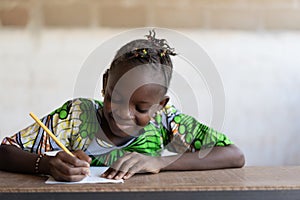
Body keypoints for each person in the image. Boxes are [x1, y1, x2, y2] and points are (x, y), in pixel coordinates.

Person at [0, 30, 245, 182]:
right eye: (115, 99)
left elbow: (234, 155)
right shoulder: (75, 116)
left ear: (160, 105)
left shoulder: (166, 121)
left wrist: (160, 163)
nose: (122, 115)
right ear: (106, 83)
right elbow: (4, 152)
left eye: (140, 108)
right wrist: (46, 164)